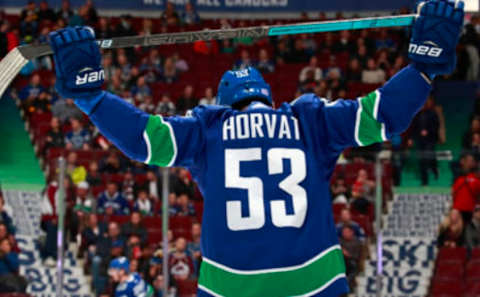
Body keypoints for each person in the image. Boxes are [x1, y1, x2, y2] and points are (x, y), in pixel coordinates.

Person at [48, 2, 464, 295]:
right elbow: (382, 115)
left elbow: (142, 138)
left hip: (231, 284)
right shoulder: (308, 120)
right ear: (268, 95)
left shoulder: (207, 129)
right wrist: (424, 65)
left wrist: (90, 97)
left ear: (224, 103)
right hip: (313, 282)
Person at [409, 96, 440, 185]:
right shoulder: (417, 115)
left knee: (429, 157)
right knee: (422, 160)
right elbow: (413, 128)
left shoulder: (433, 114)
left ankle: (435, 170)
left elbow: (436, 126)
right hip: (420, 141)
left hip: (430, 140)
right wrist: (411, 139)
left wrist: (428, 131)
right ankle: (424, 181)